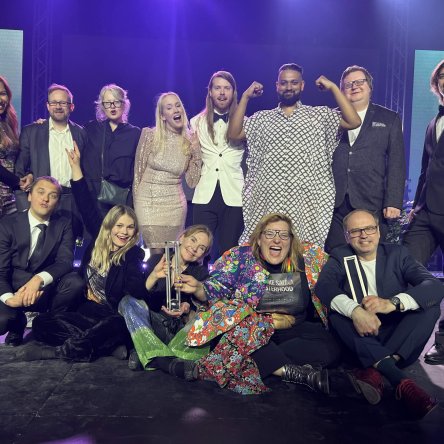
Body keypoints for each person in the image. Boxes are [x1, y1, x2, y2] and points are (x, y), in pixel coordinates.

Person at [170, 213, 340, 394]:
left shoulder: (307, 258)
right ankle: (293, 372)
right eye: (269, 234)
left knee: (331, 346)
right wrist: (198, 288)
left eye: (284, 235)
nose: (277, 239)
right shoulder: (241, 257)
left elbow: (334, 275)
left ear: (290, 241)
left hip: (292, 331)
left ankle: (255, 360)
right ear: (259, 239)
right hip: (250, 331)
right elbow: (216, 287)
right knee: (231, 330)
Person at [18, 144, 150, 362]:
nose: (124, 232)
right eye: (119, 226)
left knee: (118, 324)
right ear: (109, 226)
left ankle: (62, 352)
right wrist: (76, 168)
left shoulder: (133, 254)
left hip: (110, 314)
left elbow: (134, 290)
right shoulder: (98, 240)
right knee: (42, 323)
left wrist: (151, 278)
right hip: (86, 311)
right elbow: (86, 204)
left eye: (129, 228)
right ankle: (106, 345)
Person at [316, 209, 443, 419]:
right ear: (347, 236)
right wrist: (356, 311)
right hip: (360, 338)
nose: (364, 235)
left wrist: (392, 303)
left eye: (369, 228)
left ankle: (377, 369)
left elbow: (433, 286)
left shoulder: (397, 254)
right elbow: (324, 287)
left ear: (378, 231)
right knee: (337, 315)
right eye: (355, 231)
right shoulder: (340, 256)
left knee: (429, 307)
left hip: (399, 337)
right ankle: (400, 381)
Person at [228, 63, 361, 247]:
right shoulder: (262, 118)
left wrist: (332, 87)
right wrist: (245, 97)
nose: (289, 87)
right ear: (277, 86)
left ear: (302, 85)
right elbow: (234, 134)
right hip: (269, 198)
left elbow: (354, 121)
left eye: (294, 82)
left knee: (303, 250)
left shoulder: (319, 116)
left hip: (305, 202)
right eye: (284, 83)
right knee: (264, 248)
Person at [325, 65, 406, 252]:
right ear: (341, 91)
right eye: (348, 84)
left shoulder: (389, 118)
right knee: (336, 256)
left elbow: (397, 162)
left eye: (359, 82)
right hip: (334, 203)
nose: (354, 86)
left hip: (372, 200)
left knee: (369, 256)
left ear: (370, 87)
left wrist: (393, 201)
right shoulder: (330, 118)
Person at [0, 176, 83, 346]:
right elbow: (1, 271)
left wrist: (38, 279)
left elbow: (65, 261)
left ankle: (48, 324)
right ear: (29, 196)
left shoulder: (64, 224)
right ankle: (17, 323)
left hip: (45, 290)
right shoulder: (8, 223)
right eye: (41, 192)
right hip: (14, 288)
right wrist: (10, 299)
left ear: (57, 202)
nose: (46, 199)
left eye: (53, 196)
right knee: (3, 320)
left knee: (75, 282)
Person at [118, 224, 212, 371]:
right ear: (182, 238)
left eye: (201, 248)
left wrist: (187, 310)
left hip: (179, 332)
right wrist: (154, 276)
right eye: (193, 240)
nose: (194, 248)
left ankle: (147, 353)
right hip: (154, 327)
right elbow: (139, 298)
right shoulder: (157, 260)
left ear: (203, 254)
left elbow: (206, 302)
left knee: (211, 316)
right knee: (127, 302)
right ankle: (165, 360)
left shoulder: (200, 273)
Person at [403, 60, 444, 365]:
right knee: (404, 266)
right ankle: (399, 337)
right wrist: (415, 207)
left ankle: (442, 344)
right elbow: (425, 170)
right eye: (442, 77)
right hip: (426, 211)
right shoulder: (433, 122)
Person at [15, 83, 87, 237]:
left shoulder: (81, 134)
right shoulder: (31, 132)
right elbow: (20, 172)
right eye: (54, 102)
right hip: (41, 200)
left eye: (63, 103)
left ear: (71, 107)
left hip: (71, 202)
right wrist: (24, 206)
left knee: (67, 246)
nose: (58, 106)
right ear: (48, 106)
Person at [133, 92, 202, 252]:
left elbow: (192, 181)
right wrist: (137, 207)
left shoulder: (189, 140)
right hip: (148, 203)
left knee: (173, 254)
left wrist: (196, 150)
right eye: (169, 107)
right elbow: (138, 174)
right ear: (162, 116)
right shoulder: (149, 135)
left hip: (175, 205)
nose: (176, 110)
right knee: (156, 253)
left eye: (178, 105)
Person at [190, 71, 245, 257]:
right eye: (217, 88)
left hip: (234, 194)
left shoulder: (245, 123)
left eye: (227, 88)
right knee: (198, 249)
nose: (222, 93)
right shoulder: (195, 122)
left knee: (229, 251)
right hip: (204, 193)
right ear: (210, 92)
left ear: (233, 92)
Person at [81, 84, 140, 218]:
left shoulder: (135, 133)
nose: (112, 106)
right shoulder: (91, 129)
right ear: (102, 106)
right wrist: (44, 123)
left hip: (121, 198)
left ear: (124, 104)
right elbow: (69, 131)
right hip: (93, 198)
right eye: (107, 103)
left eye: (116, 102)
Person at [0, 75, 23, 215]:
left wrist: (38, 127)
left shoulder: (9, 123)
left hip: (10, 199)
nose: (0, 99)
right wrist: (18, 182)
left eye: (3, 93)